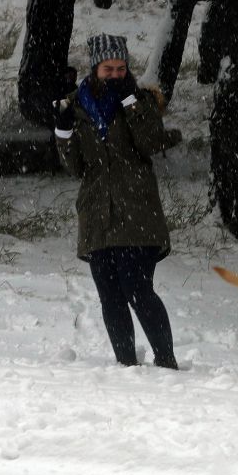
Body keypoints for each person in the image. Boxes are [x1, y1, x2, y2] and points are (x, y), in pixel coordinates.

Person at [53, 33, 178, 369]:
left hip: (137, 210)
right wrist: (63, 131)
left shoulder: (141, 101)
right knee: (110, 295)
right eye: (108, 68)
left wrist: (129, 104)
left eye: (121, 67)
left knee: (137, 288)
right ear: (95, 68)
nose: (116, 74)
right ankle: (126, 365)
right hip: (96, 212)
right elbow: (74, 166)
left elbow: (151, 143)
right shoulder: (77, 106)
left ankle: (167, 362)